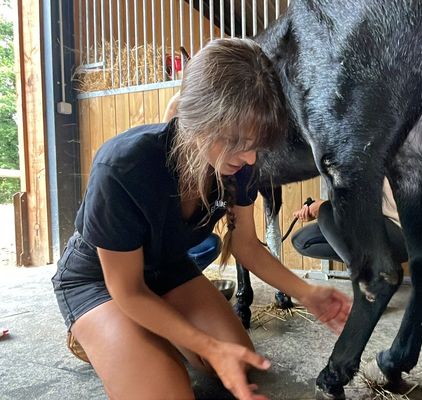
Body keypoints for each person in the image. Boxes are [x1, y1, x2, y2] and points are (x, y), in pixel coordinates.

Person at [51, 38, 351, 400]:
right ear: (198, 121)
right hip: (101, 280)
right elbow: (128, 290)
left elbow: (247, 247)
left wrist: (307, 293)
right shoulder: (122, 166)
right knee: (170, 392)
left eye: (256, 145)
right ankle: (106, 333)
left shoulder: (236, 166)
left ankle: (148, 337)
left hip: (167, 268)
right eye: (238, 141)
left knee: (240, 364)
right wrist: (207, 346)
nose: (252, 159)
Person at [292, 178, 408, 265]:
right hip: (377, 226)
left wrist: (323, 207)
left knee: (327, 210)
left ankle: (369, 276)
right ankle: (374, 266)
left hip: (404, 235)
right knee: (301, 241)